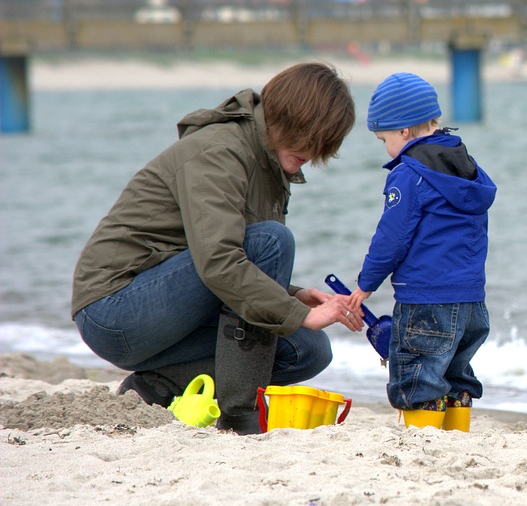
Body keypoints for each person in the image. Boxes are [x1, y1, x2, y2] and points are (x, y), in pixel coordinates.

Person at [71, 62, 361, 434]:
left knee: (308, 350)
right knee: (274, 240)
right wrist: (294, 312)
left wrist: (293, 297)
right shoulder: (218, 152)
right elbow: (221, 261)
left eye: (326, 141)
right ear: (287, 116)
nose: (316, 150)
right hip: (113, 310)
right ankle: (240, 414)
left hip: (167, 304)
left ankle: (157, 385)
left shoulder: (269, 162)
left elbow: (229, 260)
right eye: (313, 135)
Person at [345, 72, 497, 431]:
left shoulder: (408, 175)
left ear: (404, 132)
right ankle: (456, 434)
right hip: (472, 301)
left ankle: (423, 438)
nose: (385, 147)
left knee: (417, 377)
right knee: (456, 374)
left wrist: (366, 284)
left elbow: (392, 237)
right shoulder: (467, 171)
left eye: (384, 139)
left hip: (426, 300)